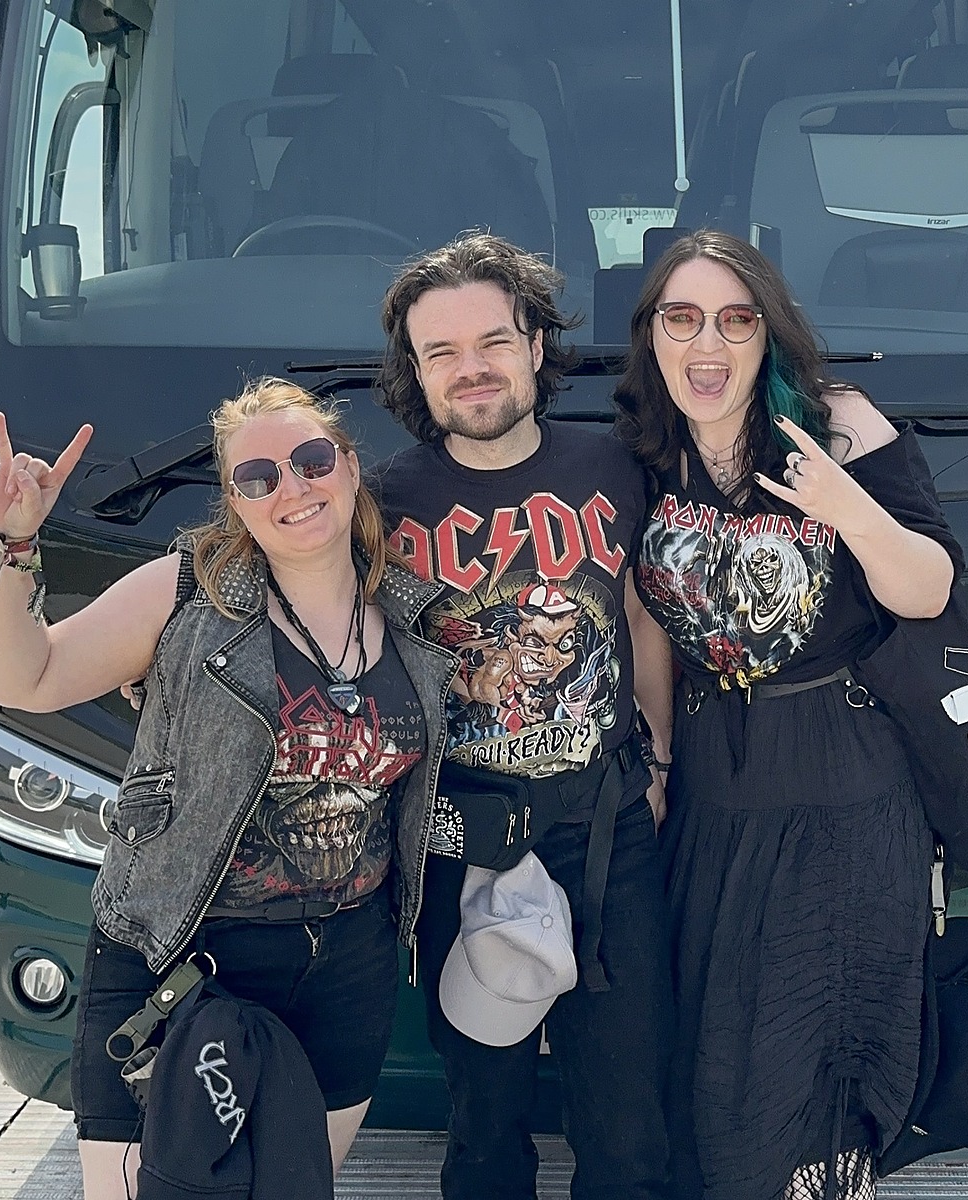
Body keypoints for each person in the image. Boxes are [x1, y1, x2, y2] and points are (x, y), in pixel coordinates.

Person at [0, 379, 457, 1198]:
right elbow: (26, 676)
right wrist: (9, 542)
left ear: (348, 465)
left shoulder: (411, 616)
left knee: (293, 1186)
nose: (293, 489)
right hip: (178, 955)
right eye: (258, 478)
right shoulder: (183, 595)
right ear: (235, 503)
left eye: (311, 460)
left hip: (345, 968)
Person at [612, 230, 965, 1200]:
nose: (708, 344)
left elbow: (929, 588)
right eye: (682, 319)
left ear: (769, 334)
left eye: (736, 319)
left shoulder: (837, 423)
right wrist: (656, 763)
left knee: (818, 1041)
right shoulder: (647, 448)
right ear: (654, 337)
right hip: (714, 789)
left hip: (845, 785)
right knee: (716, 1042)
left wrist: (848, 505)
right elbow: (646, 619)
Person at [376, 232, 673, 1200]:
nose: (472, 369)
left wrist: (662, 758)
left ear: (536, 345)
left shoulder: (614, 469)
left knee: (628, 1120)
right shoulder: (380, 504)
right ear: (415, 374)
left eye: (493, 341)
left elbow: (639, 614)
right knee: (484, 1117)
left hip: (610, 827)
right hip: (463, 839)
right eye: (441, 352)